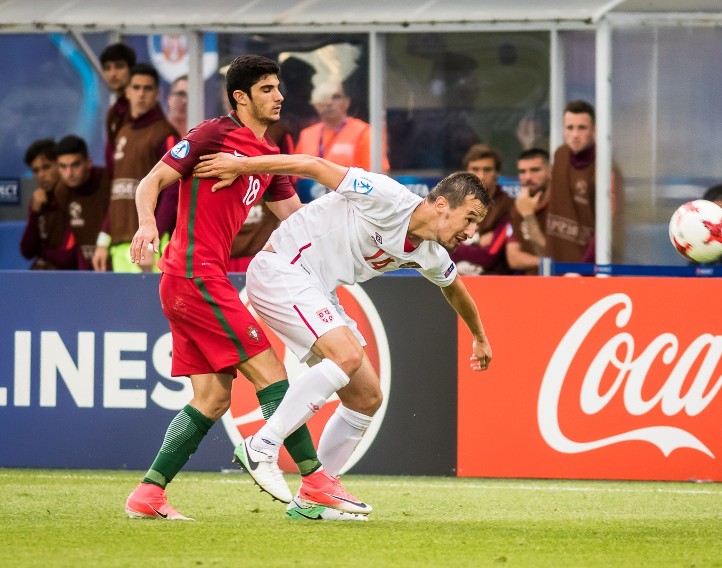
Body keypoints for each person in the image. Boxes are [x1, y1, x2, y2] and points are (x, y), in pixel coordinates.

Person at [125, 54, 365, 522]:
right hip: (194, 275)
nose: (280, 97)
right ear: (241, 97)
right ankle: (314, 481)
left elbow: (298, 222)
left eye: (279, 88)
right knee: (273, 374)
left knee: (212, 399)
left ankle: (148, 494)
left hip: (193, 280)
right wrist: (146, 225)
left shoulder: (268, 155)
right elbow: (151, 182)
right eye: (268, 89)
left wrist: (354, 237)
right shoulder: (213, 134)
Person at [193, 151, 494, 520]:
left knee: (366, 396)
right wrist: (241, 166)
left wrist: (479, 336)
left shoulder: (431, 251)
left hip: (317, 290)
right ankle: (262, 445)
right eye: (470, 218)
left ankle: (313, 494)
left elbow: (454, 287)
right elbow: (313, 166)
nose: (471, 231)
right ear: (443, 205)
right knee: (346, 356)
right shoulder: (388, 197)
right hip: (282, 268)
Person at [93, 63, 180, 273]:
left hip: (151, 244)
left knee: (153, 306)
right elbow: (117, 191)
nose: (141, 94)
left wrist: (152, 241)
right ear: (127, 92)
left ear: (157, 94)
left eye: (147, 88)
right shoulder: (122, 132)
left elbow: (172, 192)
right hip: (120, 244)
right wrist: (103, 240)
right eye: (136, 87)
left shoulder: (166, 134)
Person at [546, 100, 624, 264]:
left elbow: (608, 222)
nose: (575, 134)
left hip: (586, 267)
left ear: (594, 130)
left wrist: (583, 268)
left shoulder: (605, 166)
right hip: (556, 262)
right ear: (563, 130)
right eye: (570, 128)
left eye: (582, 128)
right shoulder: (560, 155)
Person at [295, 81, 389, 172]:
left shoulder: (364, 132)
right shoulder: (306, 135)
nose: (329, 102)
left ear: (346, 102)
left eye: (336, 97)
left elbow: (376, 176)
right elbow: (295, 174)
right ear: (315, 104)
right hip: (310, 187)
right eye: (323, 97)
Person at [450, 144, 513, 275]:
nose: (481, 176)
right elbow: (438, 248)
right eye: (475, 169)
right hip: (454, 281)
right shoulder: (454, 204)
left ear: (497, 173)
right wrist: (478, 242)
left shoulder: (508, 206)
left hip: (492, 282)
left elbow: (489, 256)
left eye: (487, 170)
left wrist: (454, 244)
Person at [55, 135, 111, 270]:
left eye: (75, 165)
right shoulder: (61, 191)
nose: (69, 173)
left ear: (88, 162)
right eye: (63, 167)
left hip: (118, 263)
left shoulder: (108, 181)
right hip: (87, 268)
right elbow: (76, 238)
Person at [19, 139, 76, 270]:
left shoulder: (73, 198)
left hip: (70, 277)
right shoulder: (38, 201)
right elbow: (27, 251)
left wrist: (42, 251)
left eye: (46, 167)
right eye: (36, 170)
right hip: (43, 275)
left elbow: (67, 258)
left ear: (59, 165)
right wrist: (35, 213)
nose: (41, 175)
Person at [507, 148, 550, 275]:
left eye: (535, 170)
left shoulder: (560, 204)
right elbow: (513, 258)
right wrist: (546, 262)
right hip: (529, 281)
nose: (528, 177)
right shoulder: (518, 205)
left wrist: (528, 216)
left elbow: (548, 252)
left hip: (563, 280)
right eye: (522, 172)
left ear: (550, 170)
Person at [100, 43, 137, 175]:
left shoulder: (140, 108)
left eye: (119, 66)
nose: (113, 73)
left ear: (131, 69)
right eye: (107, 68)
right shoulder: (112, 112)